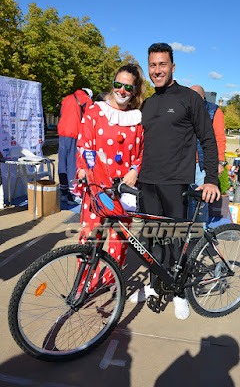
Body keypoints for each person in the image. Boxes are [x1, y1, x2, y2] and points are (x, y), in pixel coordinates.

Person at [129, 43, 220, 320]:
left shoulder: (188, 98)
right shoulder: (148, 102)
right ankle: (156, 286)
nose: (157, 70)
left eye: (162, 64)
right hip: (147, 182)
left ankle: (180, 292)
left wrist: (212, 179)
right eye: (153, 65)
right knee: (153, 238)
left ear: (172, 67)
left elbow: (208, 138)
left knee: (176, 242)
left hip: (175, 182)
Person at [75, 64, 146, 291]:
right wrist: (84, 170)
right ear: (112, 85)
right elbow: (84, 145)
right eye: (118, 85)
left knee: (119, 241)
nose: (122, 91)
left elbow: (142, 153)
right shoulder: (95, 112)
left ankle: (107, 282)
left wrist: (135, 171)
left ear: (134, 91)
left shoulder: (137, 119)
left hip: (124, 190)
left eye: (128, 87)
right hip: (97, 187)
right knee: (90, 237)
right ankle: (83, 286)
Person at [188, 85, 226, 222]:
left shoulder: (213, 110)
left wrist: (220, 162)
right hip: (183, 163)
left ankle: (199, 236)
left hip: (201, 164)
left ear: (202, 97)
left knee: (199, 202)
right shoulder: (185, 108)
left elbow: (219, 138)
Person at [58, 88, 93, 204]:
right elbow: (90, 119)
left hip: (62, 132)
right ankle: (73, 195)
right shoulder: (86, 99)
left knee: (62, 162)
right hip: (75, 132)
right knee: (73, 163)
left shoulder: (66, 98)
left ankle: (63, 192)